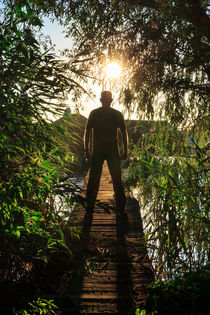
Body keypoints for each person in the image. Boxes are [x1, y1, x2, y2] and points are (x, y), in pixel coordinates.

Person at [84, 91, 128, 216]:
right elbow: (124, 134)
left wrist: (86, 150)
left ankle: (89, 206)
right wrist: (125, 151)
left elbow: (87, 133)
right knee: (116, 179)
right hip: (111, 151)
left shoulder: (95, 113)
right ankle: (120, 206)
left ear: (100, 99)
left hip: (100, 150)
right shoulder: (116, 114)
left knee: (95, 178)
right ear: (111, 100)